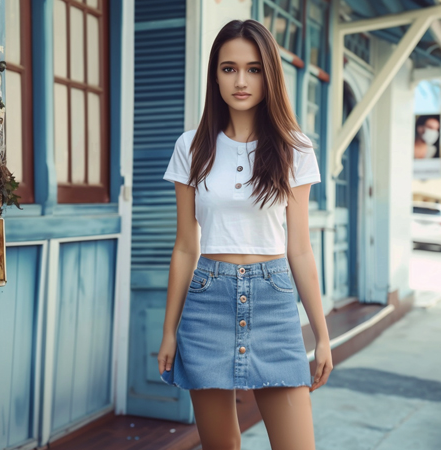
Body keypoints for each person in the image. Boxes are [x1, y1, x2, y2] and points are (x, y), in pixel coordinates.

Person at [157, 19, 333, 450]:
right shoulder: (191, 147)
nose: (240, 81)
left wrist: (322, 333)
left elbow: (300, 249)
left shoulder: (295, 147)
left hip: (273, 301)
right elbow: (185, 245)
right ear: (214, 74)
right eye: (228, 68)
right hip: (207, 302)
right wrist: (169, 330)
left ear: (269, 74)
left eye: (254, 69)